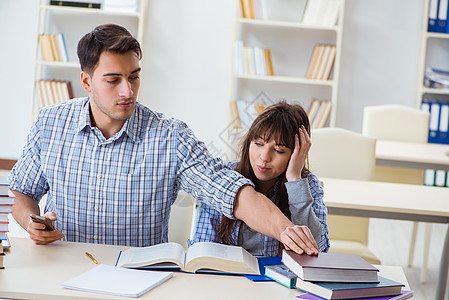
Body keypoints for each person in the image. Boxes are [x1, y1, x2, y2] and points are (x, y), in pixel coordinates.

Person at [9, 24, 317, 255]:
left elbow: (232, 193)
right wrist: (32, 224)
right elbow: (22, 193)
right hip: (63, 268)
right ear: (87, 81)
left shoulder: (170, 135)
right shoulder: (49, 123)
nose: (128, 91)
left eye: (134, 76)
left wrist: (287, 231)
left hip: (138, 278)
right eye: (114, 80)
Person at [189, 101, 330, 256]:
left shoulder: (308, 184)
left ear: (297, 153)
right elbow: (202, 248)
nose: (264, 157)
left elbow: (317, 248)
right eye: (258, 143)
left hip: (278, 278)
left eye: (278, 150)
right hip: (227, 276)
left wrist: (295, 180)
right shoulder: (223, 177)